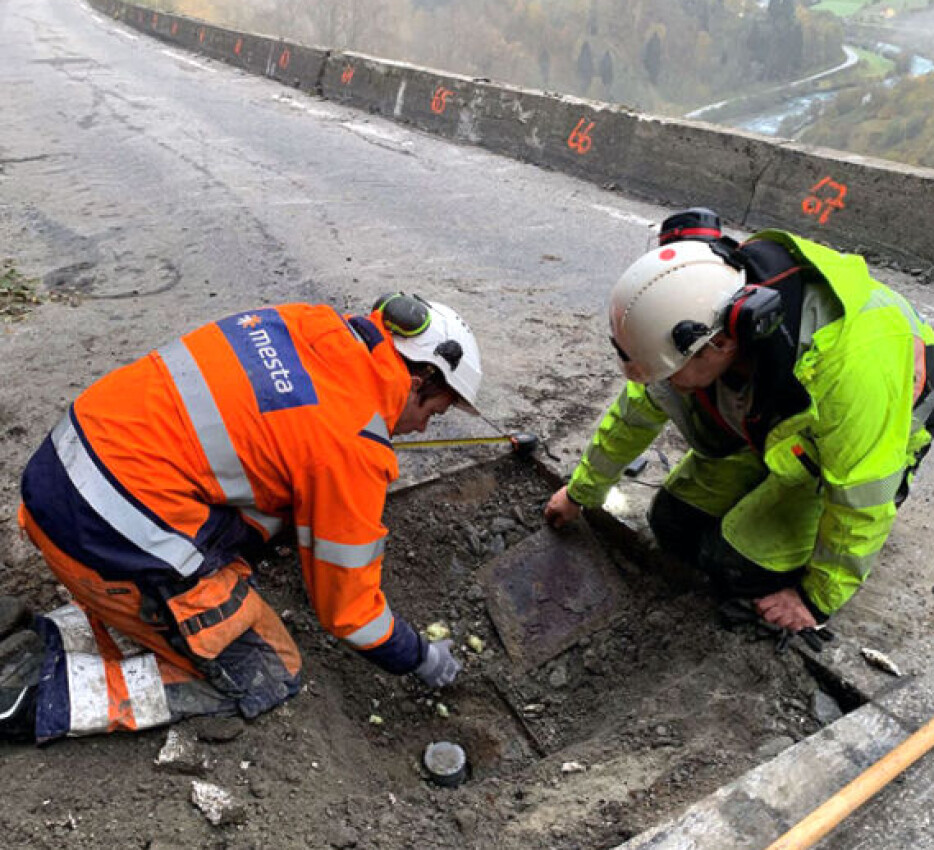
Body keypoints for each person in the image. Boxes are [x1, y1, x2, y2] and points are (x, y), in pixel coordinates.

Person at [1, 293, 480, 744]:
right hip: (102, 528)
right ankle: (29, 697)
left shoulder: (302, 323)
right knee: (265, 670)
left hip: (59, 475)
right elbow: (350, 614)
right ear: (419, 382)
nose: (420, 427)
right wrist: (418, 656)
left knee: (269, 518)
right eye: (434, 413)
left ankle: (63, 630)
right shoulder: (353, 446)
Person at [545, 227, 934, 636]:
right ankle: (772, 471)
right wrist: (580, 493)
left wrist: (815, 600)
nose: (665, 381)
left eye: (671, 371)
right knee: (672, 525)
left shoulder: (847, 374)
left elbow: (862, 500)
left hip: (875, 428)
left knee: (730, 562)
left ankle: (813, 507)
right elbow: (635, 414)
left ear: (723, 343)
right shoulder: (710, 309)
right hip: (780, 422)